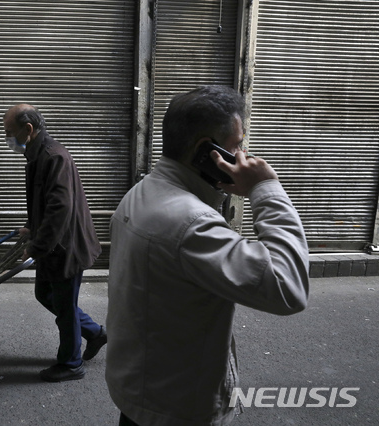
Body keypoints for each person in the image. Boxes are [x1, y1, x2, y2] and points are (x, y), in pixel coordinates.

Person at [106, 85, 310, 425]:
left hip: (142, 394)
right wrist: (265, 188)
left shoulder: (143, 192)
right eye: (237, 146)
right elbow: (288, 288)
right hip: (178, 408)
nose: (243, 156)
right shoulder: (192, 225)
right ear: (207, 152)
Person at [2, 103, 107, 382]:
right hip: (54, 244)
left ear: (28, 129)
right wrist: (31, 227)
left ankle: (72, 363)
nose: (6, 139)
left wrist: (36, 246)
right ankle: (95, 333)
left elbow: (60, 208)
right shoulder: (38, 155)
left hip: (65, 246)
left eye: (9, 132)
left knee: (63, 305)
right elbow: (46, 201)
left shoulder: (53, 156)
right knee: (46, 295)